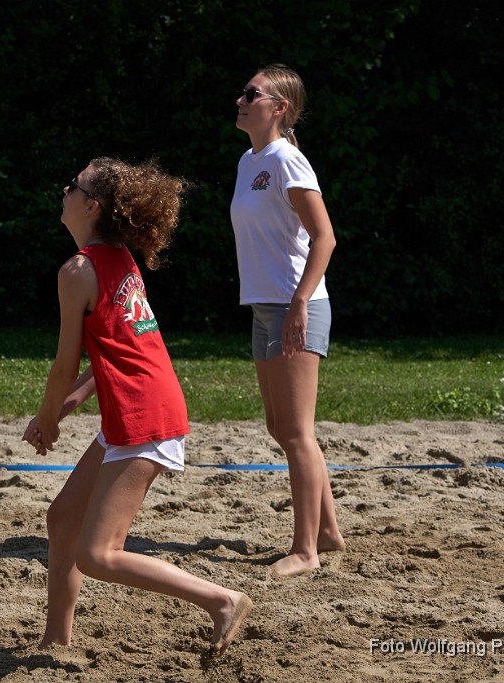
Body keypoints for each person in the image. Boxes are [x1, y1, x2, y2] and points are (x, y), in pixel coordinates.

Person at [23, 157, 252, 668]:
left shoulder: (78, 270)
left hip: (141, 414)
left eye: (72, 184)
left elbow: (66, 363)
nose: (64, 189)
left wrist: (48, 417)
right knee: (62, 521)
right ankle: (55, 643)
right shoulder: (114, 256)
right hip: (136, 405)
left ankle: (222, 599)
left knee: (98, 554)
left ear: (90, 205)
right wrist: (72, 403)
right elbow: (116, 349)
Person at [229, 64, 344, 578]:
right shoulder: (249, 160)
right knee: (281, 427)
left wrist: (300, 303)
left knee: (297, 432)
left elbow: (325, 238)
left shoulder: (287, 161)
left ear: (279, 108)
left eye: (251, 94)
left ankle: (305, 551)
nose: (241, 98)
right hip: (264, 306)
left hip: (295, 305)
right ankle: (329, 531)